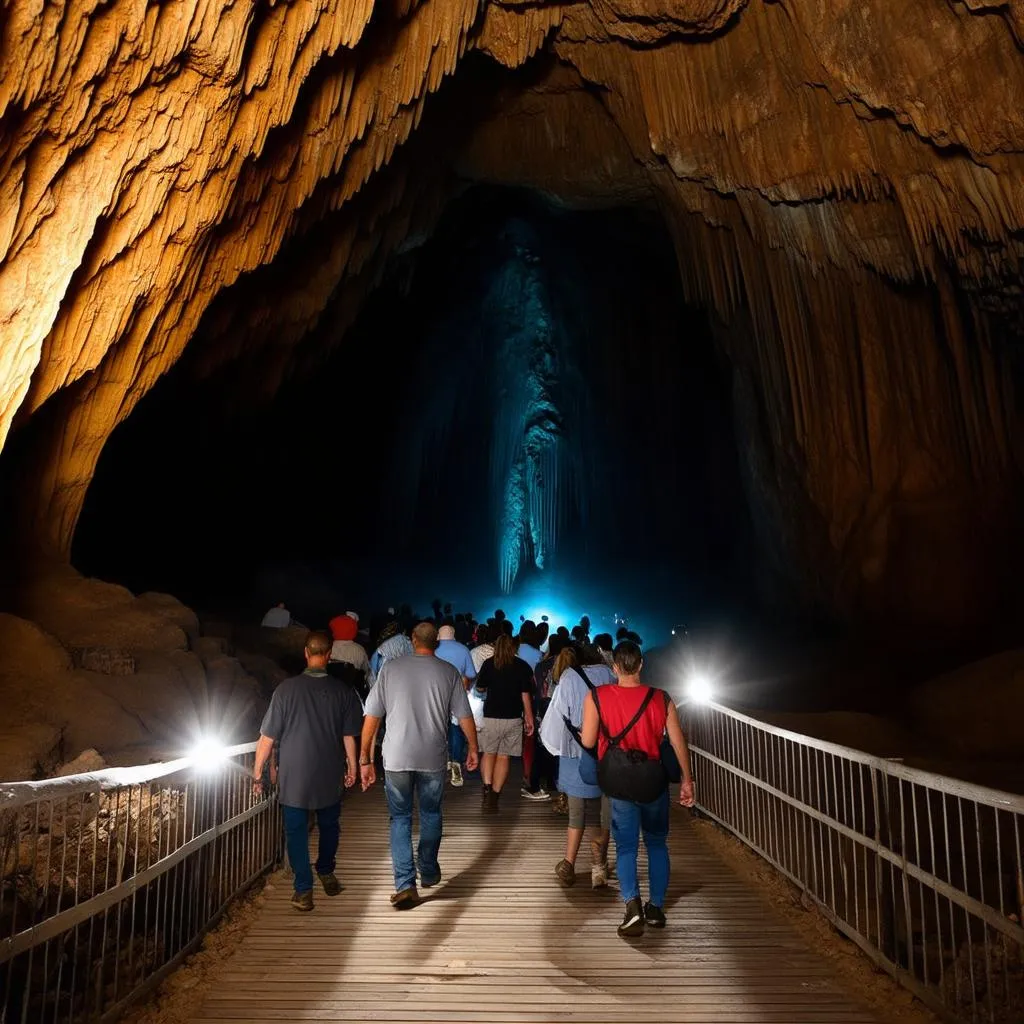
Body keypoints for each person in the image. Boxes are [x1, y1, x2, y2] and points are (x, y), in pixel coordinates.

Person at [579, 639, 695, 937]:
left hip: (619, 783)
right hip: (653, 781)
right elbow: (677, 740)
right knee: (657, 843)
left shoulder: (597, 697)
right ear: (641, 665)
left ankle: (632, 906)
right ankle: (656, 908)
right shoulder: (661, 698)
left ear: (614, 667)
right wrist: (686, 779)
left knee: (627, 846)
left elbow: (589, 742)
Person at [360, 622, 479, 908]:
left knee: (399, 818)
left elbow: (372, 717)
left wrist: (365, 757)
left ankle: (405, 883)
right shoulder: (448, 672)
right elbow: (464, 716)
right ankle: (427, 867)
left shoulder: (390, 669)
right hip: (432, 758)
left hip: (396, 758)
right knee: (430, 812)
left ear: (413, 640)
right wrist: (473, 747)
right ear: (436, 642)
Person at [252, 630, 363, 912]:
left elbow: (267, 738)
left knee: (296, 832)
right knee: (329, 826)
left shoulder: (285, 690)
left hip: (294, 776)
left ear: (305, 653)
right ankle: (326, 870)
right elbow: (349, 735)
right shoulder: (343, 691)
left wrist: (258, 773)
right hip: (328, 773)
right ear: (328, 656)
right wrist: (352, 766)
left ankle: (303, 890)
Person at [540, 644, 615, 887]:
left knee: (577, 811)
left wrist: (554, 745)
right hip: (608, 751)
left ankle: (569, 863)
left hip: (576, 749)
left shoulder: (569, 677)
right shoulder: (608, 674)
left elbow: (559, 714)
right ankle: (599, 867)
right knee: (605, 812)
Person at [475, 633, 534, 813]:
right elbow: (526, 694)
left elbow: (480, 687)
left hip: (491, 716)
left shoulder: (489, 664)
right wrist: (529, 717)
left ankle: (486, 788)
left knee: (489, 753)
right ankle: (494, 796)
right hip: (513, 717)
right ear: (514, 647)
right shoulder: (522, 667)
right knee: (504, 756)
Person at [436, 624, 477, 787]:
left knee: (437, 728)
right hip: (456, 694)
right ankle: (456, 764)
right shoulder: (463, 649)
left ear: (438, 635)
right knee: (456, 730)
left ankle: (439, 762)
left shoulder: (433, 648)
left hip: (436, 695)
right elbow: (471, 674)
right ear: (453, 635)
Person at [328, 613, 371, 695]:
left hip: (330, 689)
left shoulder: (328, 647)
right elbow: (367, 672)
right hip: (351, 690)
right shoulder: (359, 650)